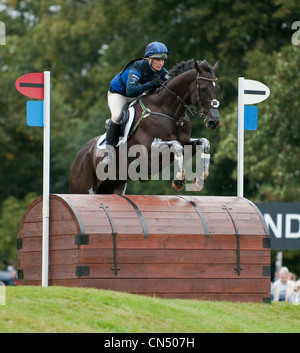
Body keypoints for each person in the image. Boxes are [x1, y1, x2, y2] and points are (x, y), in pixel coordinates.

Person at [101, 41, 170, 165]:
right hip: (119, 94)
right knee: (117, 116)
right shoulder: (137, 67)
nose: (161, 63)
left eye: (163, 60)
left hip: (137, 94)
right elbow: (131, 90)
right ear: (148, 59)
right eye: (157, 59)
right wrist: (150, 84)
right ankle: (108, 151)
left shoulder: (162, 72)